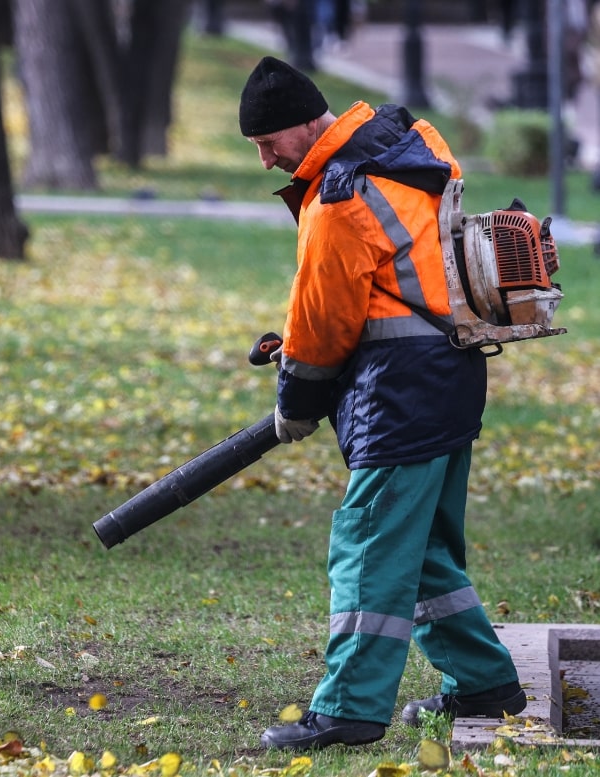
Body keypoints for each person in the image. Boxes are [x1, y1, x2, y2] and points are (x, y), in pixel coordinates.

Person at [237, 56, 527, 751]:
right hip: (451, 372)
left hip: (398, 394)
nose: (265, 158)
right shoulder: (412, 145)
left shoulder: (339, 196)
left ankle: (348, 709)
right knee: (421, 547)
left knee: (368, 547)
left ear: (311, 122)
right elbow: (406, 274)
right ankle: (486, 682)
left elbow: (323, 319)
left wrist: (298, 397)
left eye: (270, 140)